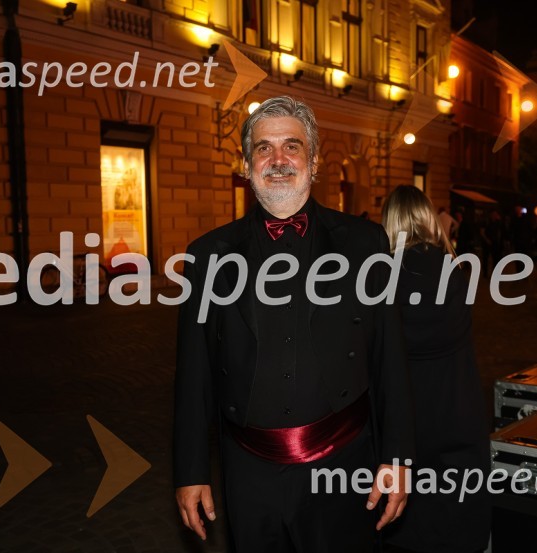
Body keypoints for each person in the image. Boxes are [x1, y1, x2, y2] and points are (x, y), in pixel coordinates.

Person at [173, 96, 414, 553]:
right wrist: (190, 472)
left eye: (291, 146)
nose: (278, 159)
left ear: (314, 160)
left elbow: (390, 360)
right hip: (247, 472)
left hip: (343, 464)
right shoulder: (207, 255)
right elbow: (194, 373)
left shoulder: (364, 243)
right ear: (246, 164)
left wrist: (398, 459)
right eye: (263, 148)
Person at [381, 185, 491, 553]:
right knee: (457, 516)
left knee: (408, 521)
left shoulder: (382, 276)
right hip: (457, 410)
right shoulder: (455, 268)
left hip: (407, 419)